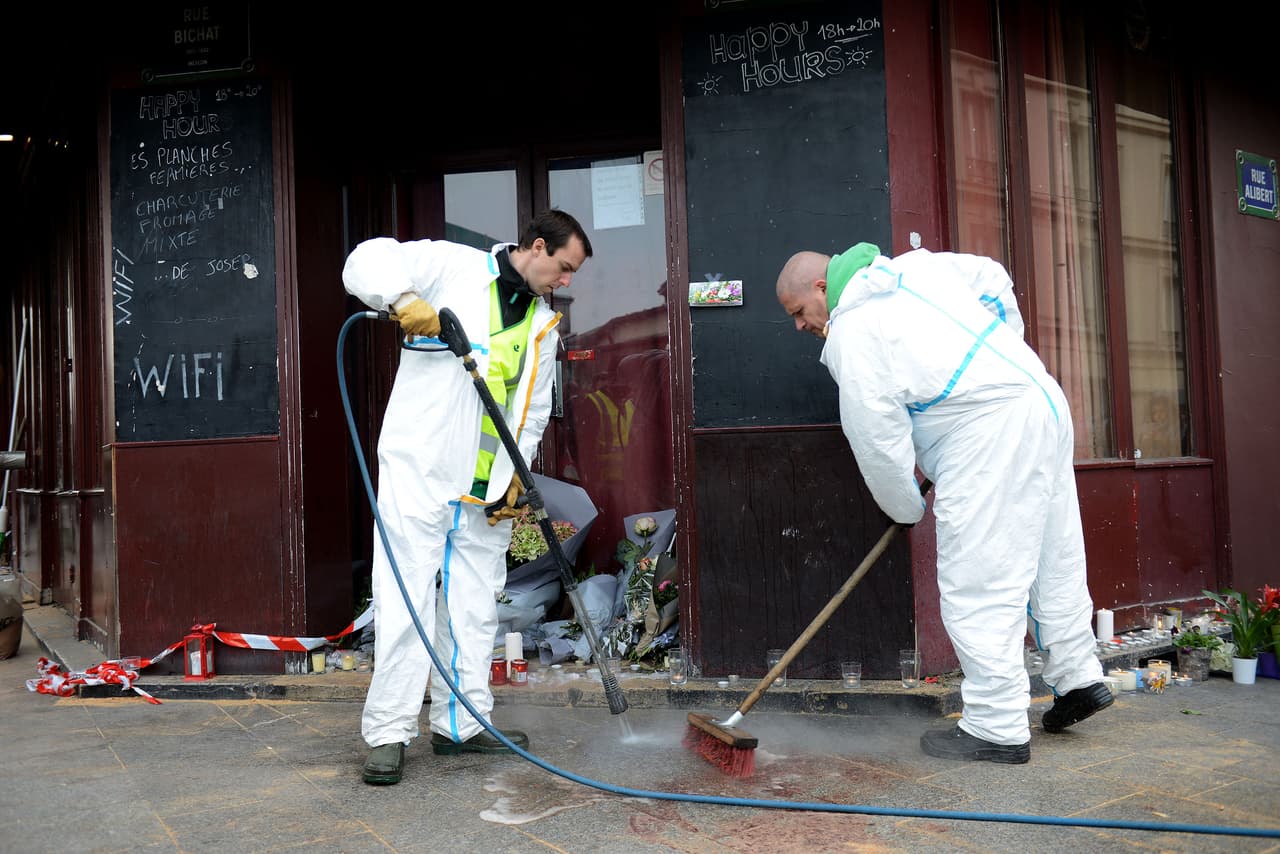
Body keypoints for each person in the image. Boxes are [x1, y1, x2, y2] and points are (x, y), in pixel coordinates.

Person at [775, 242, 1110, 765]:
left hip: (985, 430)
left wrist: (906, 508)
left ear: (821, 288)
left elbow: (876, 440)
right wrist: (1000, 352)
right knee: (1052, 556)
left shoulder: (854, 332)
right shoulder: (916, 267)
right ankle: (1079, 679)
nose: (799, 327)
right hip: (1038, 396)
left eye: (798, 313)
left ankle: (996, 727)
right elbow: (995, 278)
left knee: (980, 578)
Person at [343, 209, 593, 784]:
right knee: (405, 597)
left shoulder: (541, 325)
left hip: (486, 489)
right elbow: (365, 260)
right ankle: (388, 732)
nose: (566, 281)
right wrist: (402, 298)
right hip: (420, 469)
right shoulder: (450, 265)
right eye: (563, 267)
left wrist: (514, 477)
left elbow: (528, 414)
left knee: (476, 605)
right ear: (535, 247)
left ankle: (463, 723)